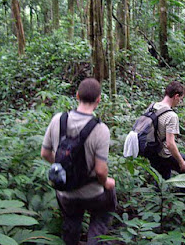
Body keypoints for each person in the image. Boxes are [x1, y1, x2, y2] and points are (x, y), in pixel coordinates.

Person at [41, 78, 116, 245]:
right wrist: (107, 182)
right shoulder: (100, 129)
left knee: (71, 221)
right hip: (93, 193)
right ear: (98, 100)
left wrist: (64, 167)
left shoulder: (57, 120)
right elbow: (101, 171)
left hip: (65, 191)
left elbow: (45, 153)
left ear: (77, 96)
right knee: (101, 216)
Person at [145, 81, 185, 180]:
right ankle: (183, 193)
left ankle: (160, 193)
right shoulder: (171, 116)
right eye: (180, 99)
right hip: (164, 154)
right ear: (176, 96)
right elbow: (170, 144)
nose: (179, 102)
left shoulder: (152, 106)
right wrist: (182, 163)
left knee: (162, 177)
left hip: (151, 151)